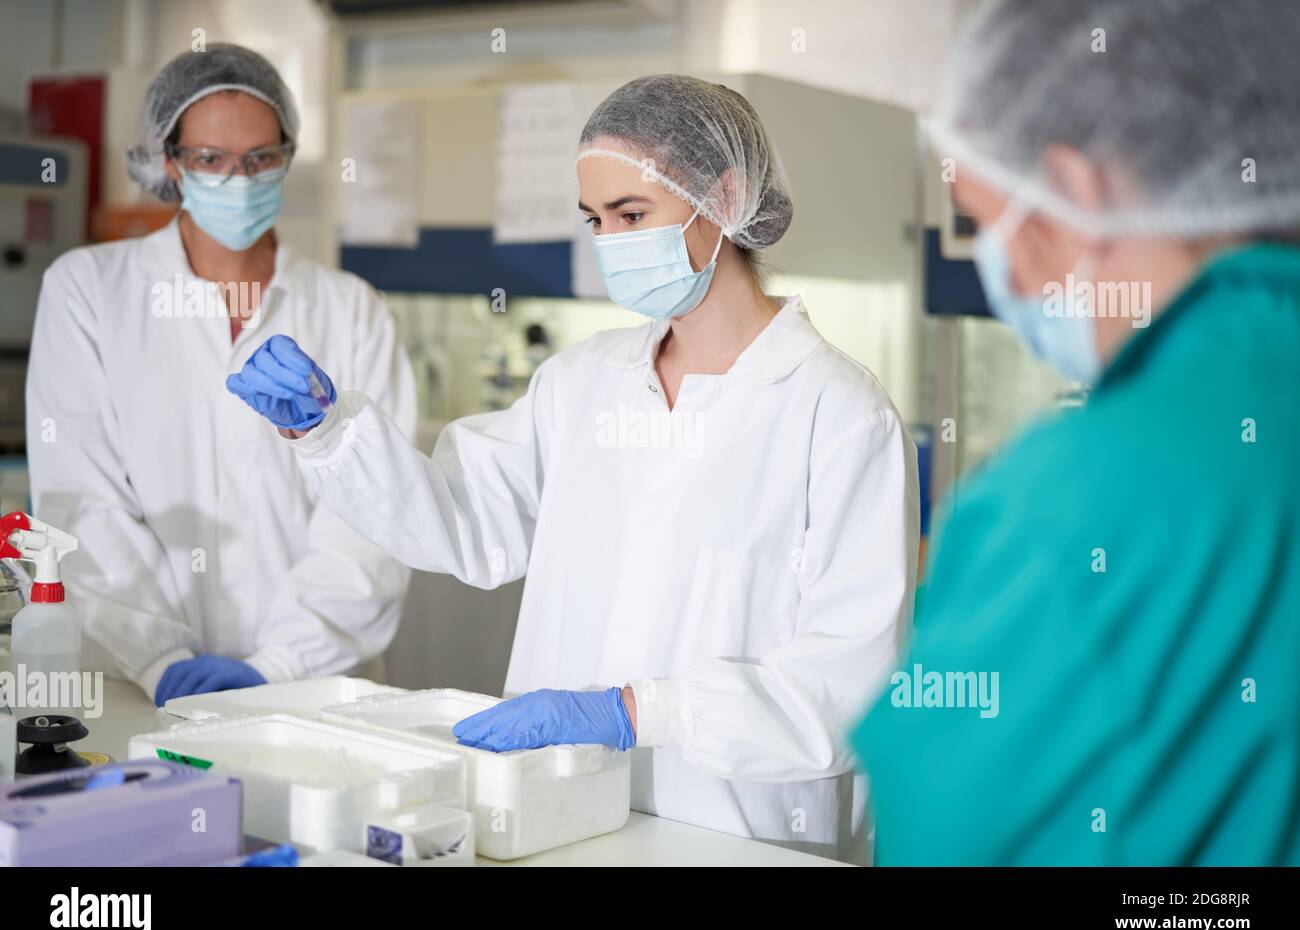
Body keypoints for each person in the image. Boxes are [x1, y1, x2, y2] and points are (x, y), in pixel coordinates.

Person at [228, 75, 918, 861]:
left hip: (742, 839)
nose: (612, 241)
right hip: (559, 823)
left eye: (633, 214)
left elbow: (848, 688)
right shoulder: (583, 382)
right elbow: (463, 518)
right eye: (597, 219)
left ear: (724, 195)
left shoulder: (837, 413)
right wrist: (330, 433)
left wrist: (633, 711)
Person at [852, 0, 1300, 865]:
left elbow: (946, 826)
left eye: (986, 221)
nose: (998, 271)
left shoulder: (1074, 497)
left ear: (1072, 188)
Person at [26, 44, 415, 706]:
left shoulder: (350, 310)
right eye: (210, 159)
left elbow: (377, 514)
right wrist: (160, 659)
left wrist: (280, 665)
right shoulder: (90, 291)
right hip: (136, 688)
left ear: (287, 157)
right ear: (169, 161)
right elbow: (82, 500)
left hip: (313, 693)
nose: (239, 179)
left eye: (260, 159)